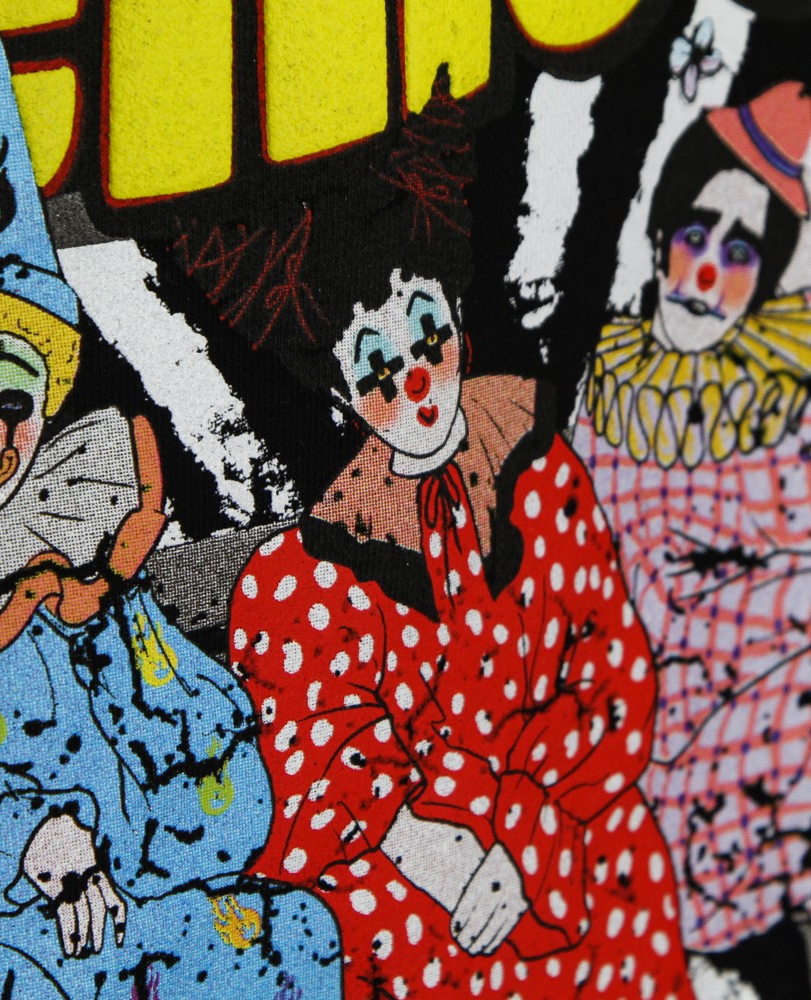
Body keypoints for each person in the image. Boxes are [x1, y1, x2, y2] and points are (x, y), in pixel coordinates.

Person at [0, 29, 340, 999]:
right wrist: (21, 839)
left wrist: (120, 840)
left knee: (293, 939)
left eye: (9, 399)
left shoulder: (79, 573)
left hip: (109, 911)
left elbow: (215, 773)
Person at [227, 75, 695, 996]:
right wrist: (440, 858)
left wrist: (523, 844)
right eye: (376, 366)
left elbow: (609, 671)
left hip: (558, 811)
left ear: (454, 315)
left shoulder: (534, 459)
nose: (415, 380)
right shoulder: (305, 576)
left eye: (424, 332)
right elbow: (321, 761)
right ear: (338, 389)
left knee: (622, 869)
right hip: (415, 858)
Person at [571, 82, 811, 996]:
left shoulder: (782, 398)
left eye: (741, 252)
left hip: (756, 729)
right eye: (695, 236)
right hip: (624, 725)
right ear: (662, 234)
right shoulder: (607, 385)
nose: (707, 275)